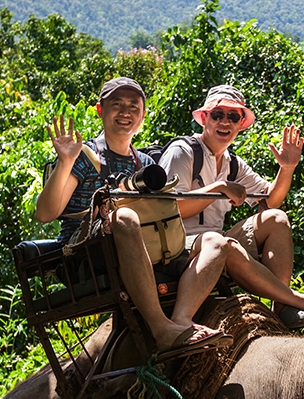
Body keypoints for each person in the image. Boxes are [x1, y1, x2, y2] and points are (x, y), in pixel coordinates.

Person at [36, 77, 230, 359]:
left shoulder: (147, 164)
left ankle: (181, 321)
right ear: (100, 111)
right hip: (87, 254)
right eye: (117, 105)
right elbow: (45, 214)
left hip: (146, 248)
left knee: (216, 241)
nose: (125, 112)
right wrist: (65, 161)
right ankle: (160, 329)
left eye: (133, 106)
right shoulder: (85, 156)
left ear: (143, 114)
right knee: (124, 216)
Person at [159, 85, 304, 330]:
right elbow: (170, 210)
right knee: (222, 244)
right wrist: (219, 188)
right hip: (179, 245)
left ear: (241, 123)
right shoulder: (183, 152)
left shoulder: (233, 164)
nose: (225, 122)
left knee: (276, 218)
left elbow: (270, 201)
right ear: (204, 118)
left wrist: (286, 169)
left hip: (215, 241)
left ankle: (283, 309)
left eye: (233, 116)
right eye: (218, 114)